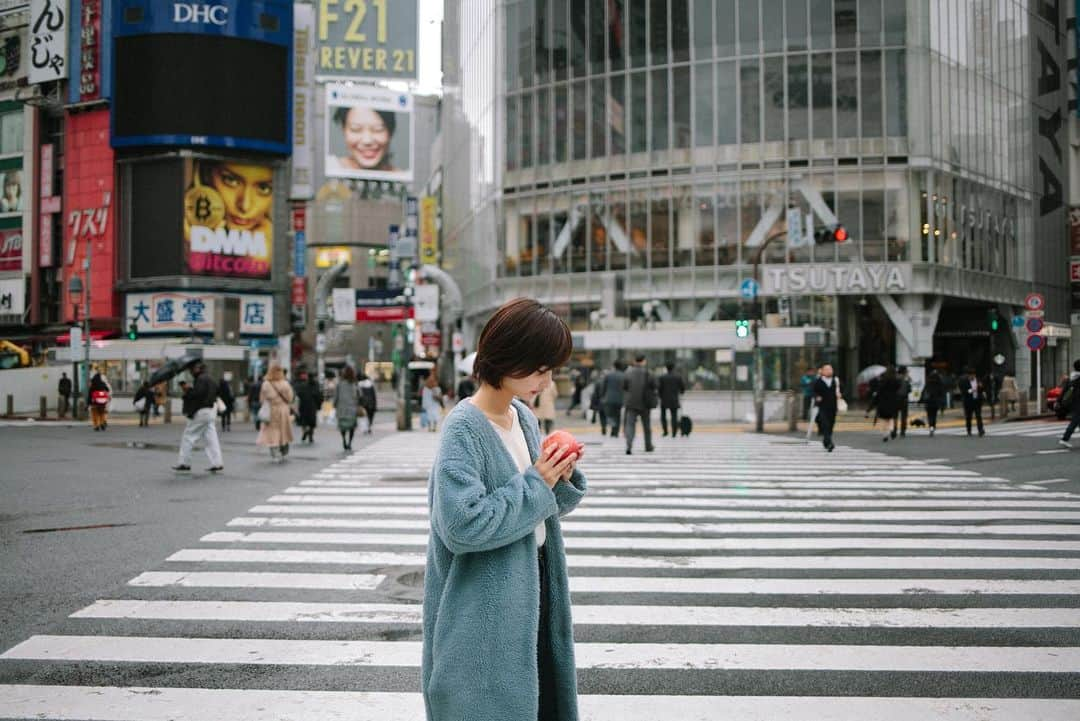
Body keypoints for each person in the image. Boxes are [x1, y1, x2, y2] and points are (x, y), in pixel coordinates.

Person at [422, 297, 586, 721]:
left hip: (533, 592)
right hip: (484, 612)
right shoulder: (463, 428)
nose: (547, 381)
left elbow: (531, 509)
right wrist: (539, 482)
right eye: (541, 369)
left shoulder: (523, 417)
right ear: (510, 358)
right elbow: (462, 525)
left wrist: (559, 479)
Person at [184, 161, 273, 276]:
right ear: (204, 175)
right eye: (231, 181)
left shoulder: (267, 247)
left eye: (263, 188)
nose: (245, 206)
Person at [172, 362, 223, 473]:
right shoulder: (210, 379)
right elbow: (216, 391)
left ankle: (184, 463)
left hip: (201, 411)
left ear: (198, 369)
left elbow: (197, 395)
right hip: (211, 411)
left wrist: (187, 390)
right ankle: (217, 463)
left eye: (192, 369)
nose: (190, 372)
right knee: (211, 439)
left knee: (188, 436)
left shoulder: (200, 379)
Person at [330, 106, 398, 173]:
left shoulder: (403, 179)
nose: (367, 141)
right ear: (344, 130)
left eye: (378, 129)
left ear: (390, 132)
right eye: (356, 129)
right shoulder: (330, 167)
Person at [257, 363, 294, 462]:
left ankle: (274, 453)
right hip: (283, 410)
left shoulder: (266, 384)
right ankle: (284, 449)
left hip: (271, 410)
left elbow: (261, 399)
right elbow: (290, 398)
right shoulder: (285, 384)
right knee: (283, 430)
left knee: (272, 431)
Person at [622, 354, 657, 455]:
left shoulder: (628, 373)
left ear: (634, 361)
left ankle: (629, 445)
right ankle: (648, 445)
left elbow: (624, 386)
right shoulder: (649, 373)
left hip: (631, 403)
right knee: (646, 426)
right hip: (645, 403)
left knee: (630, 425)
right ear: (644, 361)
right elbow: (655, 385)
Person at [812, 363, 842, 452]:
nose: (829, 371)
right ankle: (829, 443)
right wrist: (817, 396)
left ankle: (826, 440)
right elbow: (813, 391)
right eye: (827, 369)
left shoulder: (835, 380)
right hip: (822, 407)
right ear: (822, 371)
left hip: (833, 406)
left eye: (831, 369)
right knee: (825, 424)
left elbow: (842, 389)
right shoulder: (818, 381)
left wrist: (840, 394)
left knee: (831, 425)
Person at [333, 365, 363, 451]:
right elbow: (360, 395)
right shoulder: (355, 383)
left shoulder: (340, 384)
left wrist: (334, 404)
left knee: (342, 427)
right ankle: (349, 442)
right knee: (351, 427)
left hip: (341, 408)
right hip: (352, 409)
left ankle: (344, 440)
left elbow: (336, 396)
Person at [658, 362, 686, 437]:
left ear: (666, 368)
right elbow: (682, 388)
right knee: (674, 416)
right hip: (674, 399)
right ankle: (674, 432)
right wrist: (680, 392)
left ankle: (665, 431)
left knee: (663, 416)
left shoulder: (662, 377)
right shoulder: (678, 377)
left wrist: (660, 396)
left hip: (664, 399)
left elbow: (659, 389)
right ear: (673, 368)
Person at [875, 366, 901, 443]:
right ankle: (892, 429)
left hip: (883, 402)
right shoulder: (896, 381)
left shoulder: (883, 380)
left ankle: (885, 434)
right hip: (893, 402)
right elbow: (898, 389)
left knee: (884, 419)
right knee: (891, 418)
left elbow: (879, 391)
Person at [294, 369, 320, 444]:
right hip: (313, 405)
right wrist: (318, 405)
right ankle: (311, 435)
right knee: (312, 421)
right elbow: (319, 395)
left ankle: (305, 431)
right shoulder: (316, 385)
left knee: (304, 421)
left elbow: (299, 394)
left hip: (304, 405)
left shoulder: (303, 385)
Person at [601, 360, 627, 437]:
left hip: (609, 398)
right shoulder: (624, 375)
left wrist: (603, 396)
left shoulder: (608, 375)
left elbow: (603, 387)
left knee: (610, 415)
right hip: (620, 399)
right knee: (617, 415)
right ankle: (615, 432)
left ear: (614, 366)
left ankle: (613, 428)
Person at [1058, 359, 1080, 449]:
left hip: (1073, 402)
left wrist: (1058, 401)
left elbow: (1064, 390)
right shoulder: (1078, 379)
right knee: (1075, 421)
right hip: (1078, 403)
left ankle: (1065, 439)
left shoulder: (1072, 377)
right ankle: (1064, 439)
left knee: (1077, 420)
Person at [959, 367, 986, 437]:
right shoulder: (964, 381)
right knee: (968, 417)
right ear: (968, 376)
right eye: (971, 375)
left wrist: (981, 387)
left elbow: (982, 389)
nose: (972, 377)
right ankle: (969, 430)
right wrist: (971, 390)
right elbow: (963, 391)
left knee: (978, 415)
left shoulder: (978, 380)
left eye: (973, 375)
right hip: (968, 401)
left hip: (977, 400)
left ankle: (980, 430)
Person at [922, 370, 946, 436]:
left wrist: (921, 401)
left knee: (929, 415)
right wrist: (942, 404)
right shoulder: (939, 384)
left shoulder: (928, 383)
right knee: (934, 415)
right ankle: (933, 427)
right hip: (936, 402)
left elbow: (923, 392)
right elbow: (942, 394)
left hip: (928, 402)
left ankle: (931, 427)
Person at [893, 366, 912, 438]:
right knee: (904, 416)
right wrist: (909, 382)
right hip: (904, 400)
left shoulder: (895, 378)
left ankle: (894, 430)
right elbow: (909, 390)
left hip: (895, 399)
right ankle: (902, 431)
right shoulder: (905, 379)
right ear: (904, 372)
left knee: (895, 416)